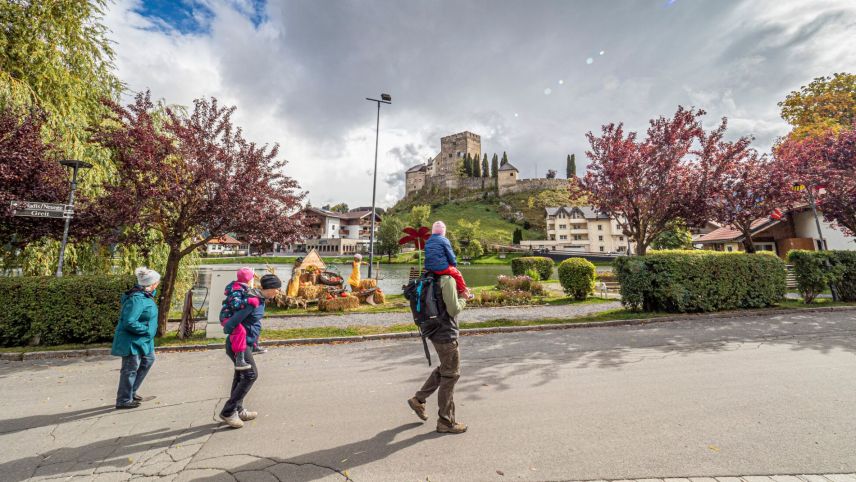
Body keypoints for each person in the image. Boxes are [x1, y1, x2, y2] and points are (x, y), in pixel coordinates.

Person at [407, 271, 468, 434]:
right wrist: (464, 298)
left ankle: (418, 399)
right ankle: (445, 421)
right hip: (446, 333)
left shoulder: (427, 277)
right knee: (451, 375)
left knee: (445, 369)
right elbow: (453, 309)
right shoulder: (446, 279)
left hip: (432, 331)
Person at [219, 273, 282, 429]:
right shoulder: (252, 301)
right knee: (250, 374)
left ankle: (238, 409)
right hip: (239, 345)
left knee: (241, 375)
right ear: (270, 289)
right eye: (277, 289)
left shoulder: (259, 299)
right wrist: (239, 336)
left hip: (245, 343)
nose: (278, 292)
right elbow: (231, 324)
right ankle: (228, 411)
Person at [111, 267, 161, 410]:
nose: (158, 283)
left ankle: (131, 391)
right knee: (130, 369)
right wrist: (146, 330)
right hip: (133, 340)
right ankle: (124, 399)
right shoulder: (137, 299)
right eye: (157, 281)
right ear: (151, 284)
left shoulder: (146, 295)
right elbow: (129, 322)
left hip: (145, 340)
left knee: (148, 360)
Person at [219, 268, 260, 370]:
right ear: (248, 279)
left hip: (233, 316)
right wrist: (248, 300)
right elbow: (235, 304)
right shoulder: (236, 290)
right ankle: (239, 359)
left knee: (255, 324)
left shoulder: (242, 287)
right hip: (227, 316)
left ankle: (254, 345)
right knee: (240, 331)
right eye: (252, 278)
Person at [424, 221, 473, 300]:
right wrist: (454, 265)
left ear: (433, 231)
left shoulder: (428, 241)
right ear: (444, 231)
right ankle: (464, 293)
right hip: (441, 267)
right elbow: (451, 255)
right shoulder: (444, 240)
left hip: (428, 267)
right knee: (457, 274)